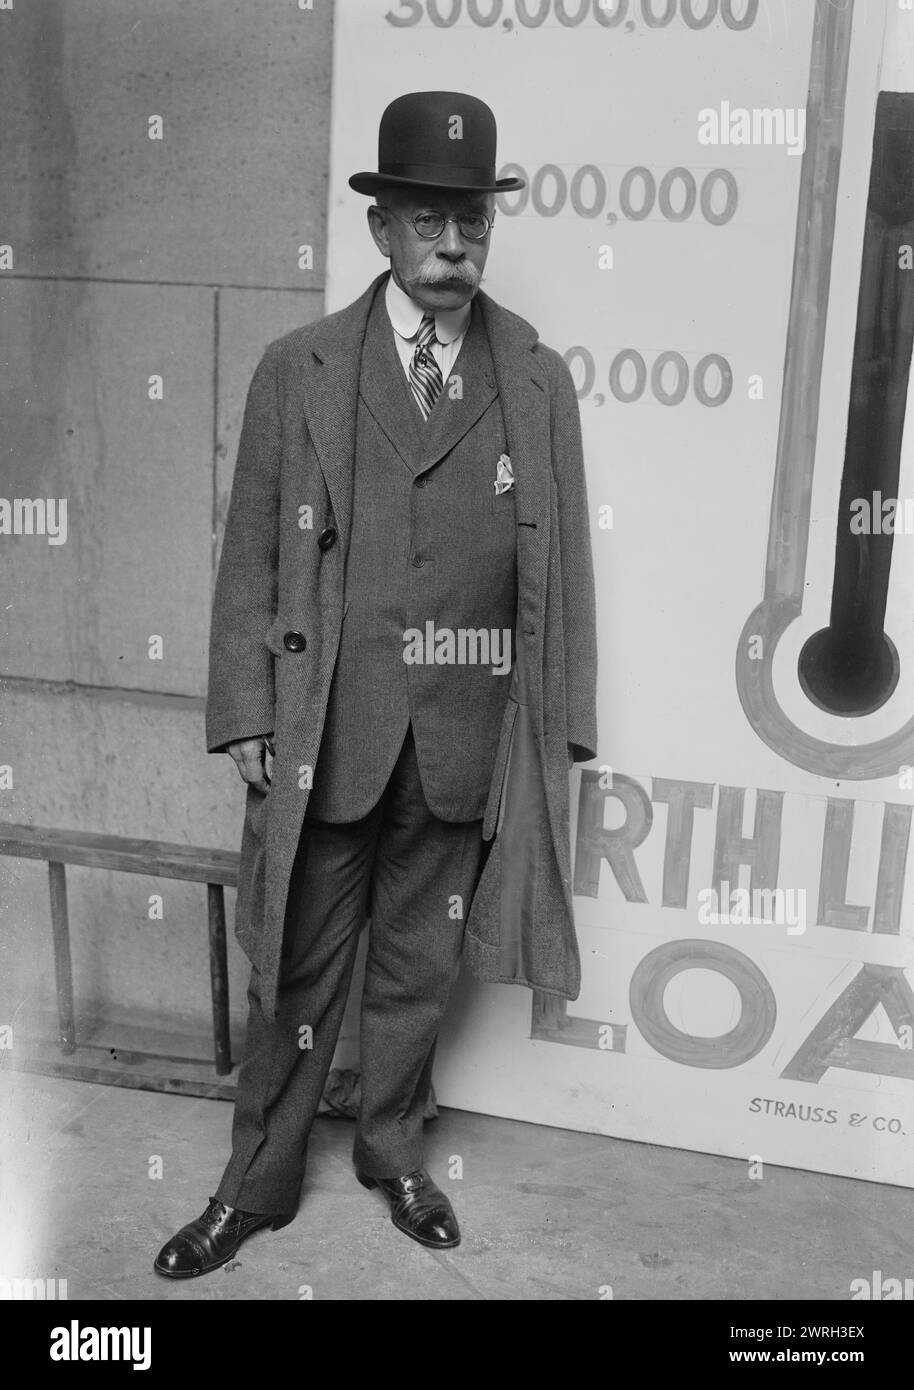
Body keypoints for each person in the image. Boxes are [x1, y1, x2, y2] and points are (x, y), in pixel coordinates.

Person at [154, 90, 597, 1279]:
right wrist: (244, 707)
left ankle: (395, 1152)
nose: (452, 247)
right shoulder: (295, 369)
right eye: (426, 223)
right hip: (327, 728)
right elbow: (251, 541)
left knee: (417, 967)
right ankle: (254, 1183)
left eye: (471, 224)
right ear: (380, 230)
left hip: (463, 732)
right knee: (295, 965)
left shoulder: (535, 381)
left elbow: (565, 570)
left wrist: (557, 729)